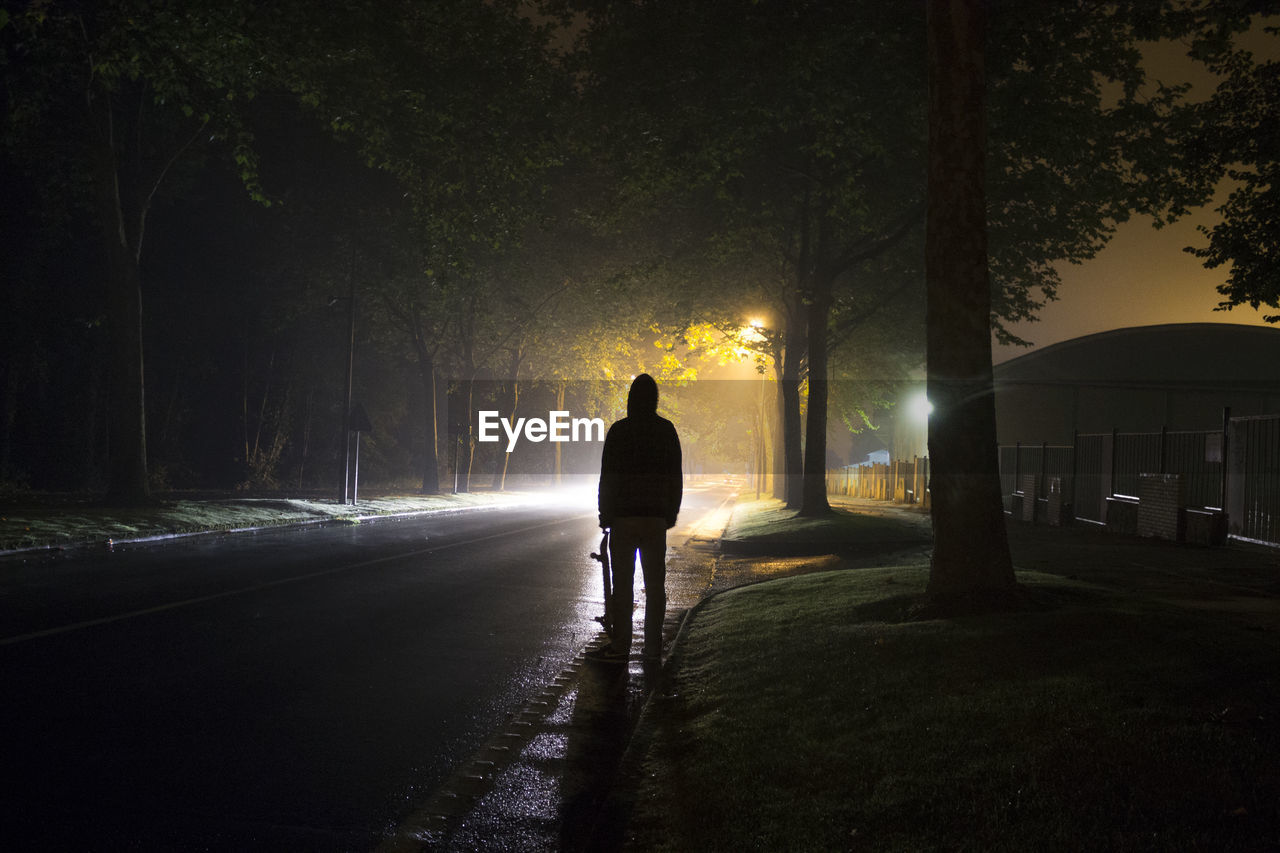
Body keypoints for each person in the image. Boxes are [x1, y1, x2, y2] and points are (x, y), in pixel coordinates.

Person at [591, 373, 682, 663]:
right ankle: (652, 648)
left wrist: (605, 514)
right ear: (655, 399)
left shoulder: (619, 431)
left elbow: (608, 478)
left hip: (624, 518)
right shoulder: (666, 431)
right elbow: (675, 478)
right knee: (656, 586)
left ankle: (621, 646)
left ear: (631, 399)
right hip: (655, 518)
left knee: (623, 585)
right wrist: (670, 513)